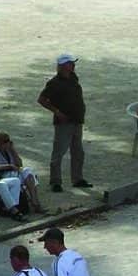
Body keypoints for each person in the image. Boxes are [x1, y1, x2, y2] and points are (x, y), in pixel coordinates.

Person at [37, 54, 91, 192]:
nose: (73, 65)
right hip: (64, 123)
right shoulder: (54, 83)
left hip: (77, 121)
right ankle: (55, 181)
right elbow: (42, 99)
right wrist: (57, 112)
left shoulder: (73, 78)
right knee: (59, 152)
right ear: (63, 66)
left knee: (78, 151)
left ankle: (77, 178)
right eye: (70, 63)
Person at [0, 132, 46, 213]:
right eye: (6, 141)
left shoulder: (9, 152)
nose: (8, 143)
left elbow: (20, 164)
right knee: (24, 176)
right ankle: (35, 204)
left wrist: (13, 150)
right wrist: (10, 166)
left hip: (14, 174)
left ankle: (35, 201)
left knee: (27, 171)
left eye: (9, 141)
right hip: (4, 178)